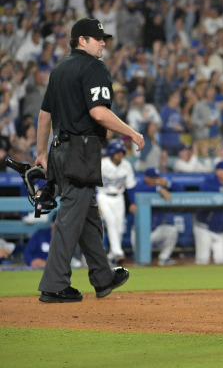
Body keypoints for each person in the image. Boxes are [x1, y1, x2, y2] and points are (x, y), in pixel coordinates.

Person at [34, 18, 144, 303]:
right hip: (81, 150)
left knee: (87, 216)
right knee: (72, 215)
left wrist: (41, 153)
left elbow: (44, 115)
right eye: (97, 38)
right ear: (81, 40)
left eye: (103, 38)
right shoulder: (94, 67)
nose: (103, 42)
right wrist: (131, 132)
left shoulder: (60, 69)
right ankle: (54, 284)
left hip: (60, 148)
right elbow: (98, 113)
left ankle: (102, 275)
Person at [96, 138, 136, 265]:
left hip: (119, 198)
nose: (119, 155)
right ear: (111, 152)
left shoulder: (127, 165)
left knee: (119, 228)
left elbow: (130, 186)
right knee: (111, 222)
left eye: (121, 152)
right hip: (103, 196)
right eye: (117, 152)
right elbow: (91, 184)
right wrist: (95, 203)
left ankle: (112, 255)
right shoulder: (102, 164)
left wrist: (133, 202)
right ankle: (118, 252)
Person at [132, 168, 180, 266]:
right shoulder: (139, 185)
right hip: (140, 232)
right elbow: (138, 191)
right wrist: (158, 189)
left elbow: (181, 189)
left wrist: (167, 184)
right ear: (146, 178)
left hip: (156, 229)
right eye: (153, 178)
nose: (156, 180)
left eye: (157, 178)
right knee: (141, 262)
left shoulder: (161, 186)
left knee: (172, 231)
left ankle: (164, 258)